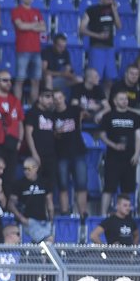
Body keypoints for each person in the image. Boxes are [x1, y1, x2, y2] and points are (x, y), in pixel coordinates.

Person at [98, 91, 140, 215]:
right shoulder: (108, 116)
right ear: (115, 101)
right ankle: (103, 215)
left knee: (128, 189)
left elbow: (138, 137)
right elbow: (101, 135)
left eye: (126, 99)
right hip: (113, 157)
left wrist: (137, 153)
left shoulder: (134, 116)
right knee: (109, 188)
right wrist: (114, 145)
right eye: (122, 99)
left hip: (130, 158)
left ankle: (127, 214)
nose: (125, 101)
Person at [52, 90, 88, 218]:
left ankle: (83, 215)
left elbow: (86, 114)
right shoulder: (52, 115)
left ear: (64, 97)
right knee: (63, 186)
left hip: (78, 152)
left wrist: (85, 107)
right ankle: (65, 216)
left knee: (82, 185)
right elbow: (53, 135)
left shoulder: (74, 110)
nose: (58, 100)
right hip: (61, 155)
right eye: (55, 98)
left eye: (59, 97)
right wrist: (57, 132)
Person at [79, 0, 121, 90]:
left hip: (109, 48)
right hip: (97, 48)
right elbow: (81, 29)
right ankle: (93, 99)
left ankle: (105, 101)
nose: (111, 1)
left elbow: (119, 26)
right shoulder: (91, 10)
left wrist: (115, 11)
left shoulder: (112, 10)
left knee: (110, 79)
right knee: (94, 78)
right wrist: (98, 35)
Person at [11, 0, 47, 105]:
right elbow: (20, 26)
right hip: (22, 50)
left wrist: (28, 26)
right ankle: (17, 107)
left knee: (36, 81)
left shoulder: (37, 12)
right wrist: (34, 25)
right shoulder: (16, 10)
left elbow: (43, 28)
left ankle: (34, 107)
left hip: (36, 50)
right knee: (20, 80)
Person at [9, 158, 53, 243]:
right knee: (48, 240)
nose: (26, 171)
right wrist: (22, 218)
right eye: (24, 169)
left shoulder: (44, 182)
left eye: (28, 169)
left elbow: (49, 202)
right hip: (28, 221)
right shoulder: (19, 184)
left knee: (46, 241)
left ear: (36, 168)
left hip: (44, 221)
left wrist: (51, 220)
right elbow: (11, 204)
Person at [24, 89, 58, 193]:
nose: (50, 100)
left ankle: (49, 209)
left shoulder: (51, 114)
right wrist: (34, 153)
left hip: (51, 154)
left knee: (50, 185)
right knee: (34, 184)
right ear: (39, 98)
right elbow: (28, 134)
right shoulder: (32, 113)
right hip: (36, 154)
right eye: (47, 97)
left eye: (52, 97)